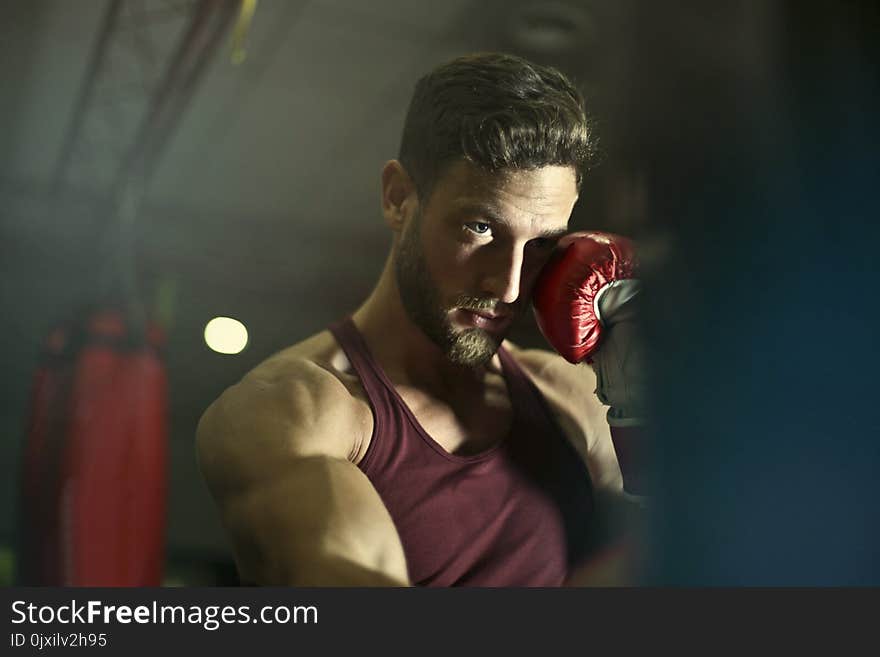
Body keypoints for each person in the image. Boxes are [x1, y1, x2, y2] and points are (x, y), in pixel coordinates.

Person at [196, 52, 645, 587]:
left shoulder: (571, 399)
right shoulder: (293, 411)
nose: (506, 285)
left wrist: (650, 421)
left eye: (544, 244)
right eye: (480, 227)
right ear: (398, 198)